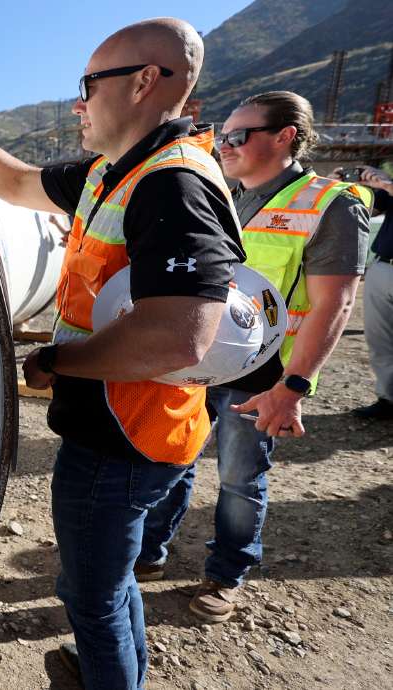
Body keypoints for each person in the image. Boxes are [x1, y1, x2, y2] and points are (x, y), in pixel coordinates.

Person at [0, 17, 243, 690]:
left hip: (125, 435)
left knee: (90, 594)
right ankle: (114, 672)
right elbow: (11, 183)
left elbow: (182, 335)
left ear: (147, 81)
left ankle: (107, 677)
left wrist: (56, 364)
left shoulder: (171, 184)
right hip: (121, 425)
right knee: (108, 579)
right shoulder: (112, 172)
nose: (78, 102)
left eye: (89, 83)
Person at [135, 91, 371, 624]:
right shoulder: (223, 193)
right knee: (174, 458)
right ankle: (150, 554)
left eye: (239, 136)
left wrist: (294, 387)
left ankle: (225, 574)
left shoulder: (331, 204)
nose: (226, 145)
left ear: (285, 136)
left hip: (264, 376)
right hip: (200, 359)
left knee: (240, 477)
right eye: (224, 136)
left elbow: (334, 305)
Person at [338, 165, 393, 419]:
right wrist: (344, 188)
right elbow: (371, 207)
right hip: (384, 265)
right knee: (380, 341)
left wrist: (388, 185)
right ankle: (388, 398)